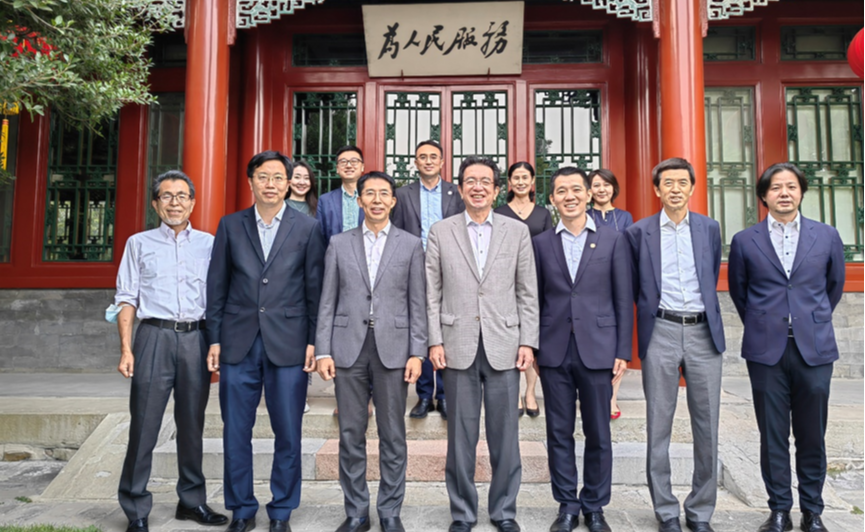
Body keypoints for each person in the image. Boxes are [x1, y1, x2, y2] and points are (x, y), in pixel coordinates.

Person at [206, 151, 326, 532]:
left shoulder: (307, 228)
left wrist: (314, 340)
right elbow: (217, 286)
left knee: (288, 431)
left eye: (277, 177)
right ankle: (241, 508)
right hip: (237, 342)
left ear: (289, 183)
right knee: (235, 430)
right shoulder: (231, 225)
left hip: (289, 343)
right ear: (251, 182)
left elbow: (315, 289)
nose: (270, 184)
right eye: (263, 176)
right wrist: (214, 339)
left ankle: (281, 511)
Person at [728, 163, 845, 532]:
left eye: (791, 186)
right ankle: (779, 509)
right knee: (773, 434)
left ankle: (813, 511)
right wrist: (766, 323)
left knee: (812, 434)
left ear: (801, 192)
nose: (784, 193)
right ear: (764, 196)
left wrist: (809, 319)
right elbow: (740, 292)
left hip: (814, 349)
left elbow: (834, 286)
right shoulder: (745, 240)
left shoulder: (826, 235)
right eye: (776, 187)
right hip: (766, 351)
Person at [426, 156, 539, 532]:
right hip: (455, 344)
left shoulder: (516, 231)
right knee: (460, 437)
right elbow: (431, 292)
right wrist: (434, 340)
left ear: (496, 189)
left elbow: (527, 291)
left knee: (505, 436)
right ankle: (462, 512)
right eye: (470, 181)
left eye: (485, 181)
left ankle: (504, 511)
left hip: (505, 343)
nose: (478, 187)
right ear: (460, 189)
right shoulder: (441, 231)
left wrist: (528, 341)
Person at [114, 171, 228, 532]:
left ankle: (191, 502)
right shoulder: (138, 243)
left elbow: (219, 298)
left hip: (196, 338)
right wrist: (126, 349)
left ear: (192, 203)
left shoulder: (210, 244)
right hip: (153, 337)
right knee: (144, 424)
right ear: (155, 203)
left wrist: (217, 342)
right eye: (166, 196)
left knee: (192, 424)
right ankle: (136, 507)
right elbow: (126, 298)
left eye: (182, 196)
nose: (175, 202)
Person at [316, 171, 428, 532]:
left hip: (394, 349)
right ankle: (357, 512)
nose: (377, 200)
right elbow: (327, 300)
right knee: (351, 433)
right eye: (370, 194)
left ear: (393, 201)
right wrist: (323, 351)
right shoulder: (339, 243)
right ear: (360, 200)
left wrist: (417, 352)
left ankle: (390, 510)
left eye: (384, 194)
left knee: (392, 434)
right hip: (347, 347)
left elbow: (418, 303)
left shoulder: (411, 244)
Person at [625, 158, 726, 532]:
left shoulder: (709, 228)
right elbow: (634, 286)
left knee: (707, 426)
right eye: (668, 183)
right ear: (657, 189)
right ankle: (666, 509)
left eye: (682, 182)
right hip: (662, 331)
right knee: (658, 424)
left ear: (692, 187)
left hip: (703, 333)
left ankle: (700, 511)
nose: (675, 189)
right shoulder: (639, 232)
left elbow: (711, 274)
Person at [533, 167, 633, 532]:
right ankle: (567, 505)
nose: (570, 196)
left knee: (598, 433)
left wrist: (623, 350)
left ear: (589, 195)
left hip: (599, 348)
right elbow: (535, 299)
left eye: (577, 189)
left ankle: (594, 506)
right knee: (559, 432)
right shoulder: (541, 243)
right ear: (553, 199)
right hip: (554, 349)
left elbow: (623, 297)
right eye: (561, 191)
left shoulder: (613, 239)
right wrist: (533, 347)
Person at [391, 139, 465, 420]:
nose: (429, 161)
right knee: (421, 327)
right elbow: (397, 231)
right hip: (415, 267)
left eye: (434, 156)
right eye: (423, 157)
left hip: (449, 267)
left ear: (442, 162)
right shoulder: (403, 194)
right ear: (416, 162)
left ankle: (444, 395)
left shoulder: (455, 193)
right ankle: (424, 394)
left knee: (445, 326)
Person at [495, 161, 552, 418]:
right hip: (506, 281)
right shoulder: (499, 212)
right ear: (509, 182)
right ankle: (516, 392)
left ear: (532, 182)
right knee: (511, 335)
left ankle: (530, 392)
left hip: (536, 280)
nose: (520, 182)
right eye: (515, 177)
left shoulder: (543, 213)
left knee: (531, 336)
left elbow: (550, 248)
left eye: (524, 177)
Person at [588, 169, 634, 421]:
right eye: (596, 185)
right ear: (589, 190)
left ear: (614, 188)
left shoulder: (625, 217)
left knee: (616, 339)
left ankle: (612, 396)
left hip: (618, 280)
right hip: (590, 283)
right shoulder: (585, 215)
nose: (602, 189)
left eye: (606, 184)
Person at [317, 146, 366, 243]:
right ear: (337, 169)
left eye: (354, 161)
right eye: (343, 162)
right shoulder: (325, 200)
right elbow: (319, 237)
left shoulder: (371, 198)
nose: (349, 165)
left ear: (362, 167)